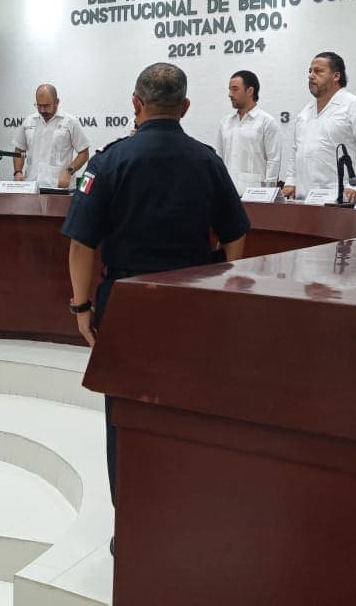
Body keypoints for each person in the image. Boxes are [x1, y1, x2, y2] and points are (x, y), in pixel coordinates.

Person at [62, 62, 250, 519]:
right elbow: (235, 236)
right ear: (185, 107)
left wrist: (82, 306)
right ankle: (186, 514)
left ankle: (129, 520)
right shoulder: (208, 160)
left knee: (123, 416)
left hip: (127, 305)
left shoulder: (108, 162)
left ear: (135, 104)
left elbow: (82, 242)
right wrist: (222, 287)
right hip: (194, 304)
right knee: (190, 408)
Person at [281, 52, 356, 202]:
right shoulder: (305, 112)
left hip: (342, 199)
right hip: (305, 198)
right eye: (310, 71)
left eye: (318, 71)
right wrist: (291, 181)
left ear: (336, 76)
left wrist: (354, 185)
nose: (311, 76)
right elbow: (296, 150)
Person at [213, 69, 281, 194]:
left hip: (256, 195)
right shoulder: (225, 123)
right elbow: (219, 158)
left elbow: (273, 160)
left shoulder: (266, 122)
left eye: (235, 89)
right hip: (227, 194)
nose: (230, 94)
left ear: (250, 91)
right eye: (229, 89)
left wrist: (268, 193)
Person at [12, 83, 90, 187]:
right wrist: (18, 172)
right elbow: (19, 150)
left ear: (57, 102)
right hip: (31, 186)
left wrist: (69, 171)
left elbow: (83, 153)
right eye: (39, 106)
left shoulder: (70, 122)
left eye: (47, 106)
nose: (42, 110)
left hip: (59, 187)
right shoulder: (29, 121)